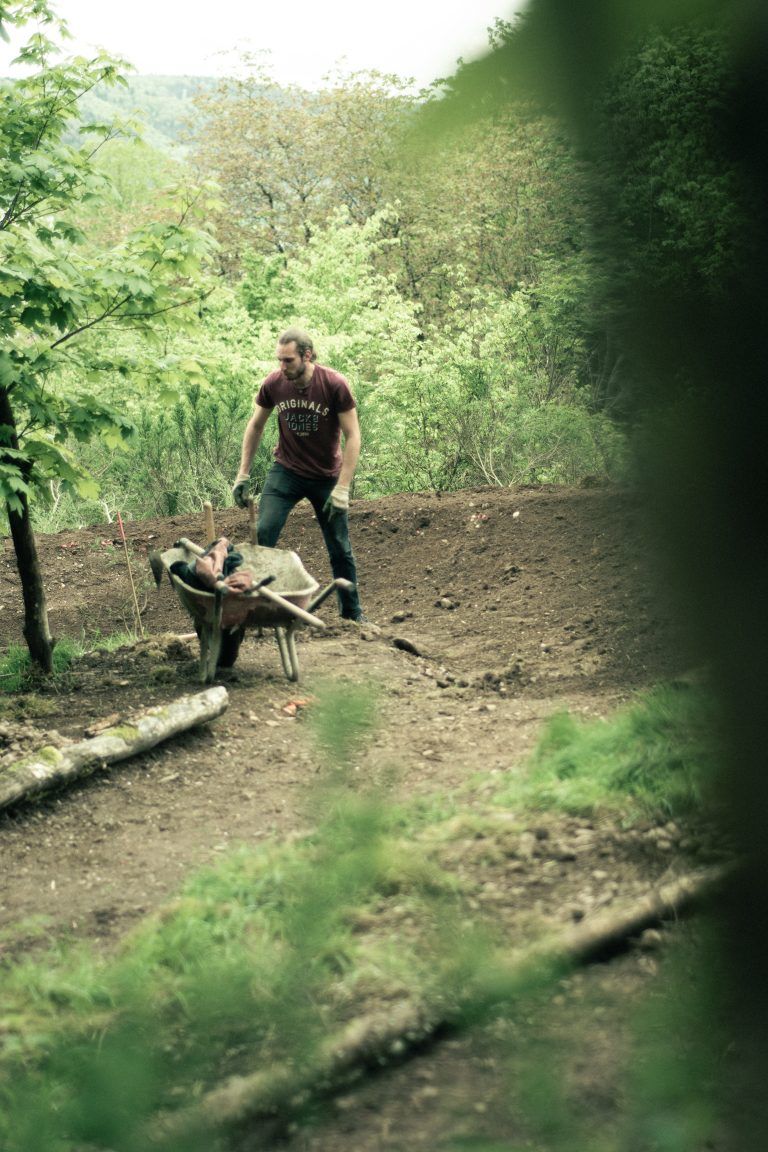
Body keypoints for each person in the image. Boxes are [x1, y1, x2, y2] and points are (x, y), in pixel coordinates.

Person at [232, 327, 364, 621]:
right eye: (279, 359)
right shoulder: (274, 384)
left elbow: (353, 436)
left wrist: (342, 488)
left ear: (307, 356)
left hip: (326, 477)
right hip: (286, 472)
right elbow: (255, 426)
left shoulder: (334, 384)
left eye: (288, 360)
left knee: (340, 548)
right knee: (263, 534)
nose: (282, 366)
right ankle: (255, 609)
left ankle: (352, 616)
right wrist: (243, 474)